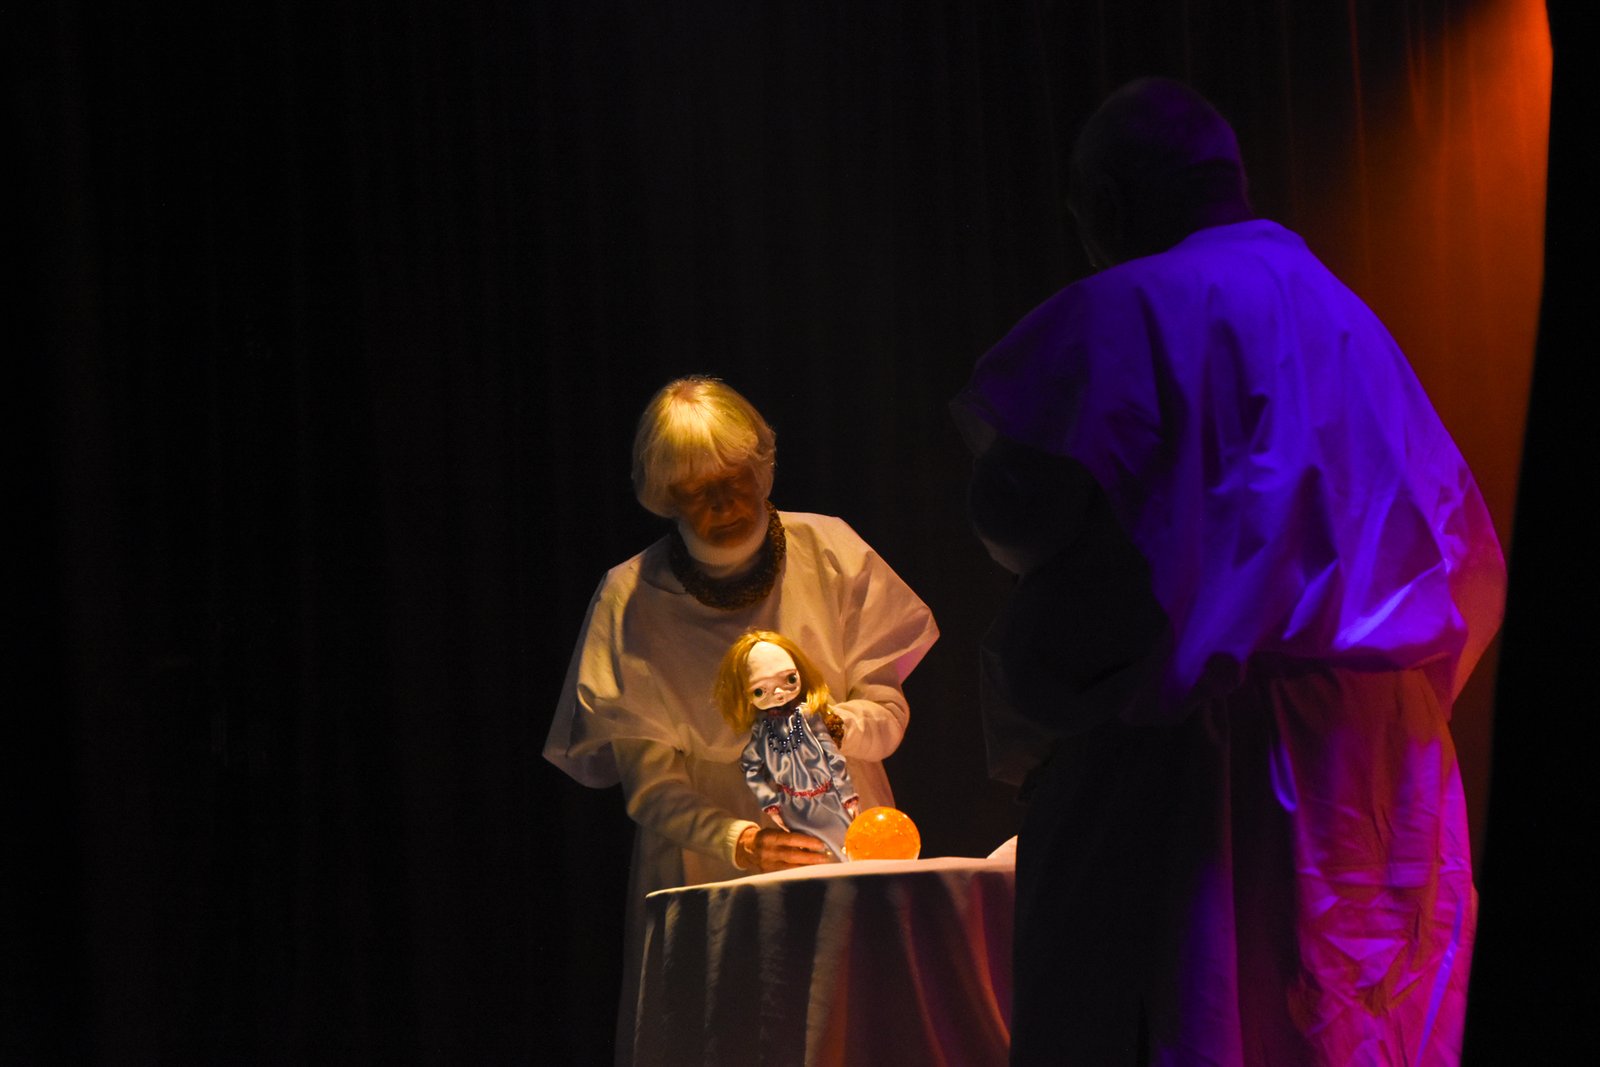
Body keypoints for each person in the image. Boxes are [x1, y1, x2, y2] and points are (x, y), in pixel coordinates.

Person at [952, 78, 1505, 1065]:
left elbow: (1015, 506)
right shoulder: (1346, 316)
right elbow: (1463, 549)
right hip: (1383, 765)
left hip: (1211, 768)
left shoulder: (1129, 305)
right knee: (1361, 1027)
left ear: (1105, 204)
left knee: (1200, 1022)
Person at [545, 376, 938, 1065]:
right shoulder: (630, 599)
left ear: (763, 469)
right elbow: (650, 786)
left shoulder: (831, 551)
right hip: (707, 865)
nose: (724, 504)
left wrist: (836, 726)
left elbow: (887, 711)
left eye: (735, 480)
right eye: (698, 491)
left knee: (858, 1029)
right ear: (665, 496)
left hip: (846, 840)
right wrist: (741, 840)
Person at [716, 629, 860, 861]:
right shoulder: (762, 730)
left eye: (790, 679)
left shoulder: (808, 716)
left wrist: (846, 794)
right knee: (810, 862)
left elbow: (832, 755)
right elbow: (751, 767)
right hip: (792, 808)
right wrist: (770, 803)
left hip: (828, 800)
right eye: (760, 691)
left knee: (850, 853)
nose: (779, 693)